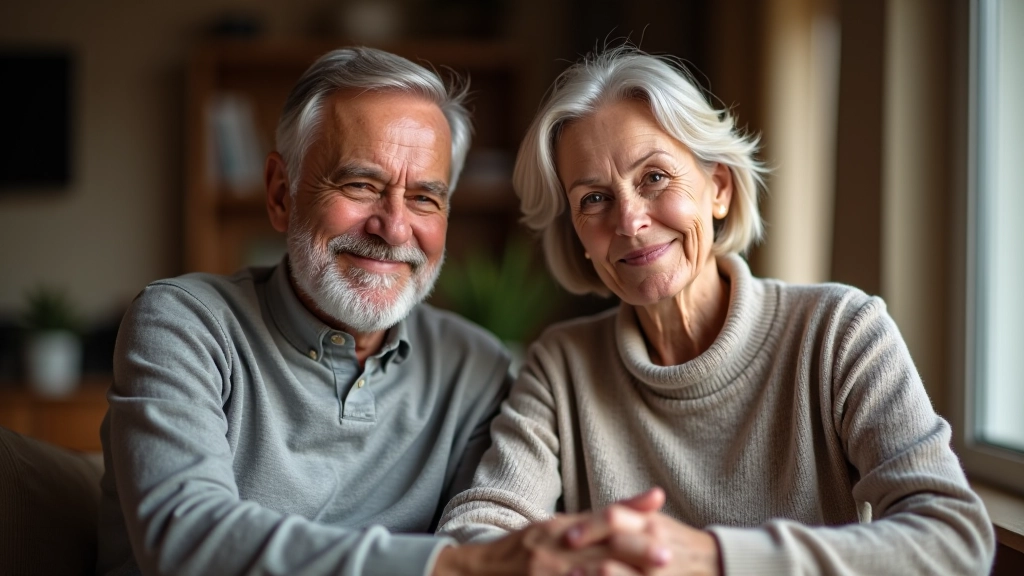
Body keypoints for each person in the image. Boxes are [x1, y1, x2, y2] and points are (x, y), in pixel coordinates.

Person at [437, 46, 996, 575]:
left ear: (719, 188)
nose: (629, 220)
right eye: (595, 199)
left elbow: (954, 540)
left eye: (654, 177)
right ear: (578, 236)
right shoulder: (561, 367)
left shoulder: (840, 331)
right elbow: (476, 533)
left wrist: (712, 557)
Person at [96, 47, 518, 576]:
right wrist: (454, 565)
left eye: (424, 198)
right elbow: (188, 542)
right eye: (361, 185)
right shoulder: (184, 324)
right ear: (281, 194)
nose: (393, 228)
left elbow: (486, 533)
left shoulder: (476, 368)